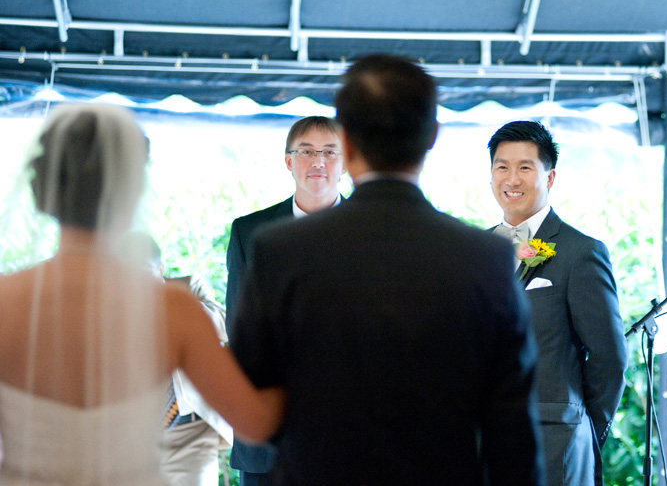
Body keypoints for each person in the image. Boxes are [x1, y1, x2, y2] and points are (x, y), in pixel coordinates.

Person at [230, 54, 544, 486]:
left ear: (348, 144)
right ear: (432, 136)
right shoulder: (483, 258)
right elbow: (512, 438)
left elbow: (253, 399)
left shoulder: (280, 251)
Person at [0, 104, 283, 486]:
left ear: (44, 192)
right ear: (132, 190)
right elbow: (255, 423)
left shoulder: (7, 301)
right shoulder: (171, 308)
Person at [486, 120, 627, 486]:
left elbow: (610, 356)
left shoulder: (581, 252)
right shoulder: (478, 252)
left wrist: (582, 425)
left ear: (549, 178)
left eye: (525, 167)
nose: (511, 179)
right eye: (502, 166)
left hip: (557, 443)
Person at [225, 115, 344, 486]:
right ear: (289, 161)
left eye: (329, 152)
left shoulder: (379, 232)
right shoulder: (250, 232)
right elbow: (240, 328)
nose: (318, 162)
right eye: (307, 152)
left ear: (347, 161)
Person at [118, 231, 233, 486]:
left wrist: (170, 303)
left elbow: (226, 324)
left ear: (159, 269)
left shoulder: (187, 287)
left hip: (191, 431)